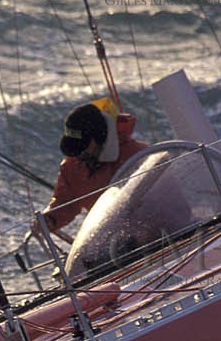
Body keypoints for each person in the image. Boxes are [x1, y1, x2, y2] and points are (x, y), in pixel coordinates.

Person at [38, 103, 149, 243]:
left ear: (99, 138)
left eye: (83, 145)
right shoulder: (71, 166)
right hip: (112, 243)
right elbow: (65, 203)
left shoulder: (139, 156)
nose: (79, 153)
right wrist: (50, 220)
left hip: (156, 236)